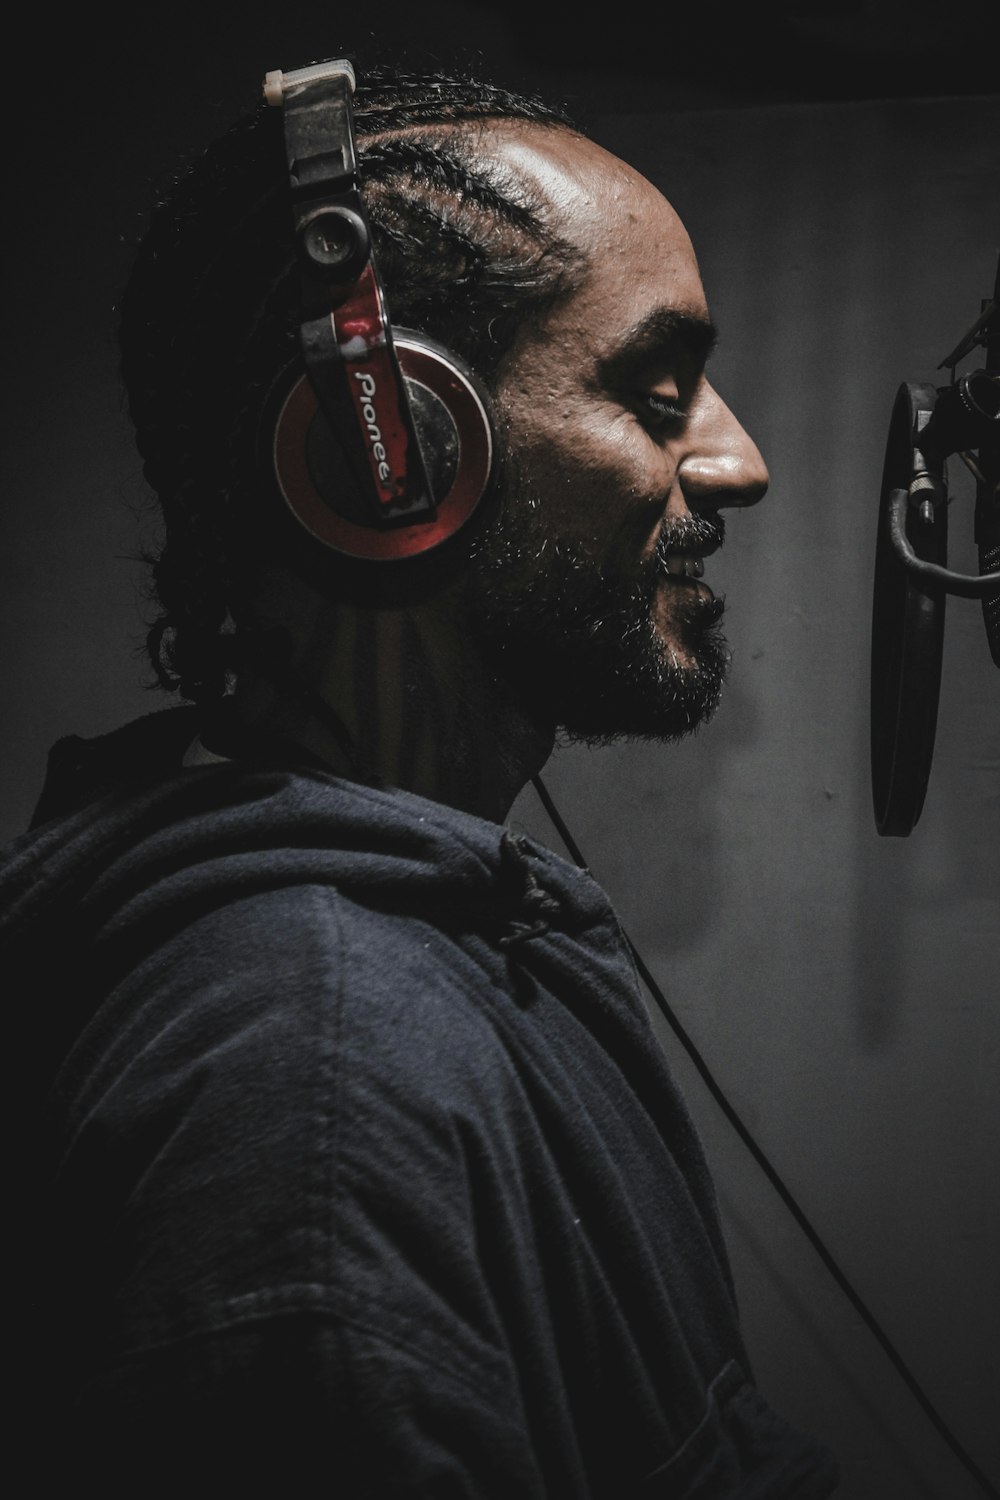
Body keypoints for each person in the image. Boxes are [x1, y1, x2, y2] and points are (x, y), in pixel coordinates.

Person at [4, 60, 839, 1496]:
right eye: (655, 392)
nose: (740, 462)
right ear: (387, 462)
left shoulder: (434, 952)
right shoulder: (315, 1084)